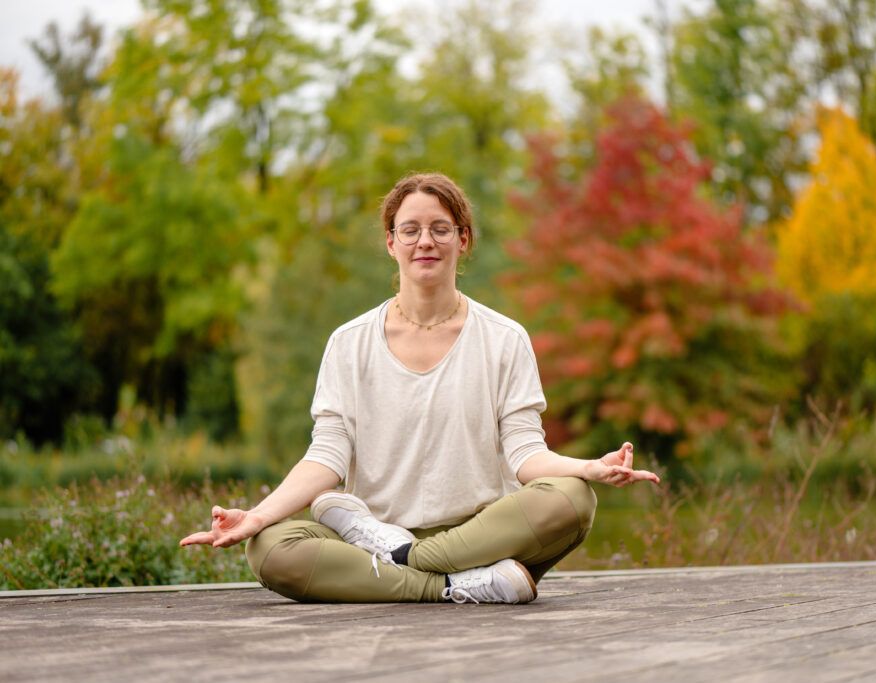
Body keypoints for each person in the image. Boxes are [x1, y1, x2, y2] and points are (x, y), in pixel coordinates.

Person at [180, 173, 660, 604]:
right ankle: (456, 585)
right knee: (269, 548)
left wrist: (589, 467)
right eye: (410, 230)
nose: (424, 241)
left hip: (483, 533)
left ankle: (408, 560)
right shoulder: (349, 343)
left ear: (463, 239)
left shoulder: (504, 338)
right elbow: (326, 455)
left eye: (440, 228)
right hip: (375, 528)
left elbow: (524, 453)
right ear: (391, 243)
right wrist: (258, 517)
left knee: (574, 499)